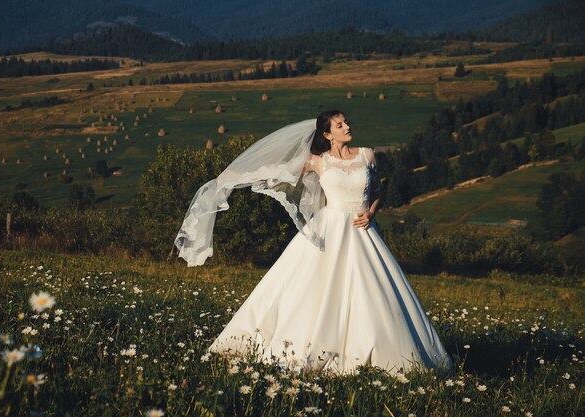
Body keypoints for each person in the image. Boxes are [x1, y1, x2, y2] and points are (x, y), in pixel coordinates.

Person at [175, 110, 453, 376]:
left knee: (372, 291)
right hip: (329, 229)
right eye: (340, 125)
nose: (347, 127)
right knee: (309, 288)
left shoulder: (367, 154)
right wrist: (232, 178)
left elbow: (378, 191)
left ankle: (381, 351)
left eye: (346, 122)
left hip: (362, 232)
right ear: (328, 134)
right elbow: (278, 172)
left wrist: (370, 213)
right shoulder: (318, 161)